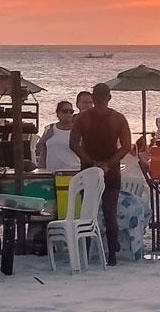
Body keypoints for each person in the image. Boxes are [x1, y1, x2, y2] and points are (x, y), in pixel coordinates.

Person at [68, 82, 131, 266]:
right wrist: (108, 164)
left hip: (88, 170)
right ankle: (112, 255)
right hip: (110, 171)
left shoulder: (82, 118)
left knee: (88, 213)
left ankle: (87, 252)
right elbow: (126, 146)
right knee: (110, 212)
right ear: (109, 98)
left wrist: (91, 163)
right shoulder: (118, 118)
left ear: (93, 98)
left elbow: (73, 144)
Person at [36, 100, 80, 173]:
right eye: (65, 111)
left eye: (71, 111)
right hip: (52, 172)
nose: (68, 114)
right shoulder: (49, 128)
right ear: (58, 113)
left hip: (73, 171)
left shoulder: (78, 129)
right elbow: (39, 149)